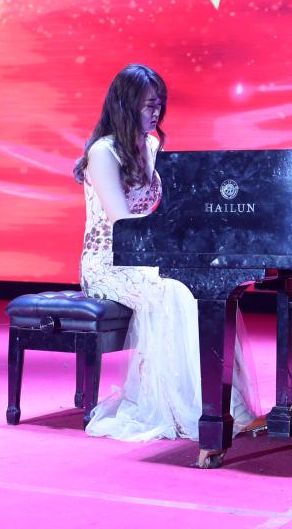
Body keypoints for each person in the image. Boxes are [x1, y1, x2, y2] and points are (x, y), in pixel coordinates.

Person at [73, 63, 261, 441]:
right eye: (149, 105)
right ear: (126, 105)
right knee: (177, 290)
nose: (156, 112)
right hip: (109, 260)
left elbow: (168, 211)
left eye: (159, 104)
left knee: (209, 288)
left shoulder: (151, 146)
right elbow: (122, 224)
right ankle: (186, 409)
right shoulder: (103, 152)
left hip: (145, 256)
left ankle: (227, 407)